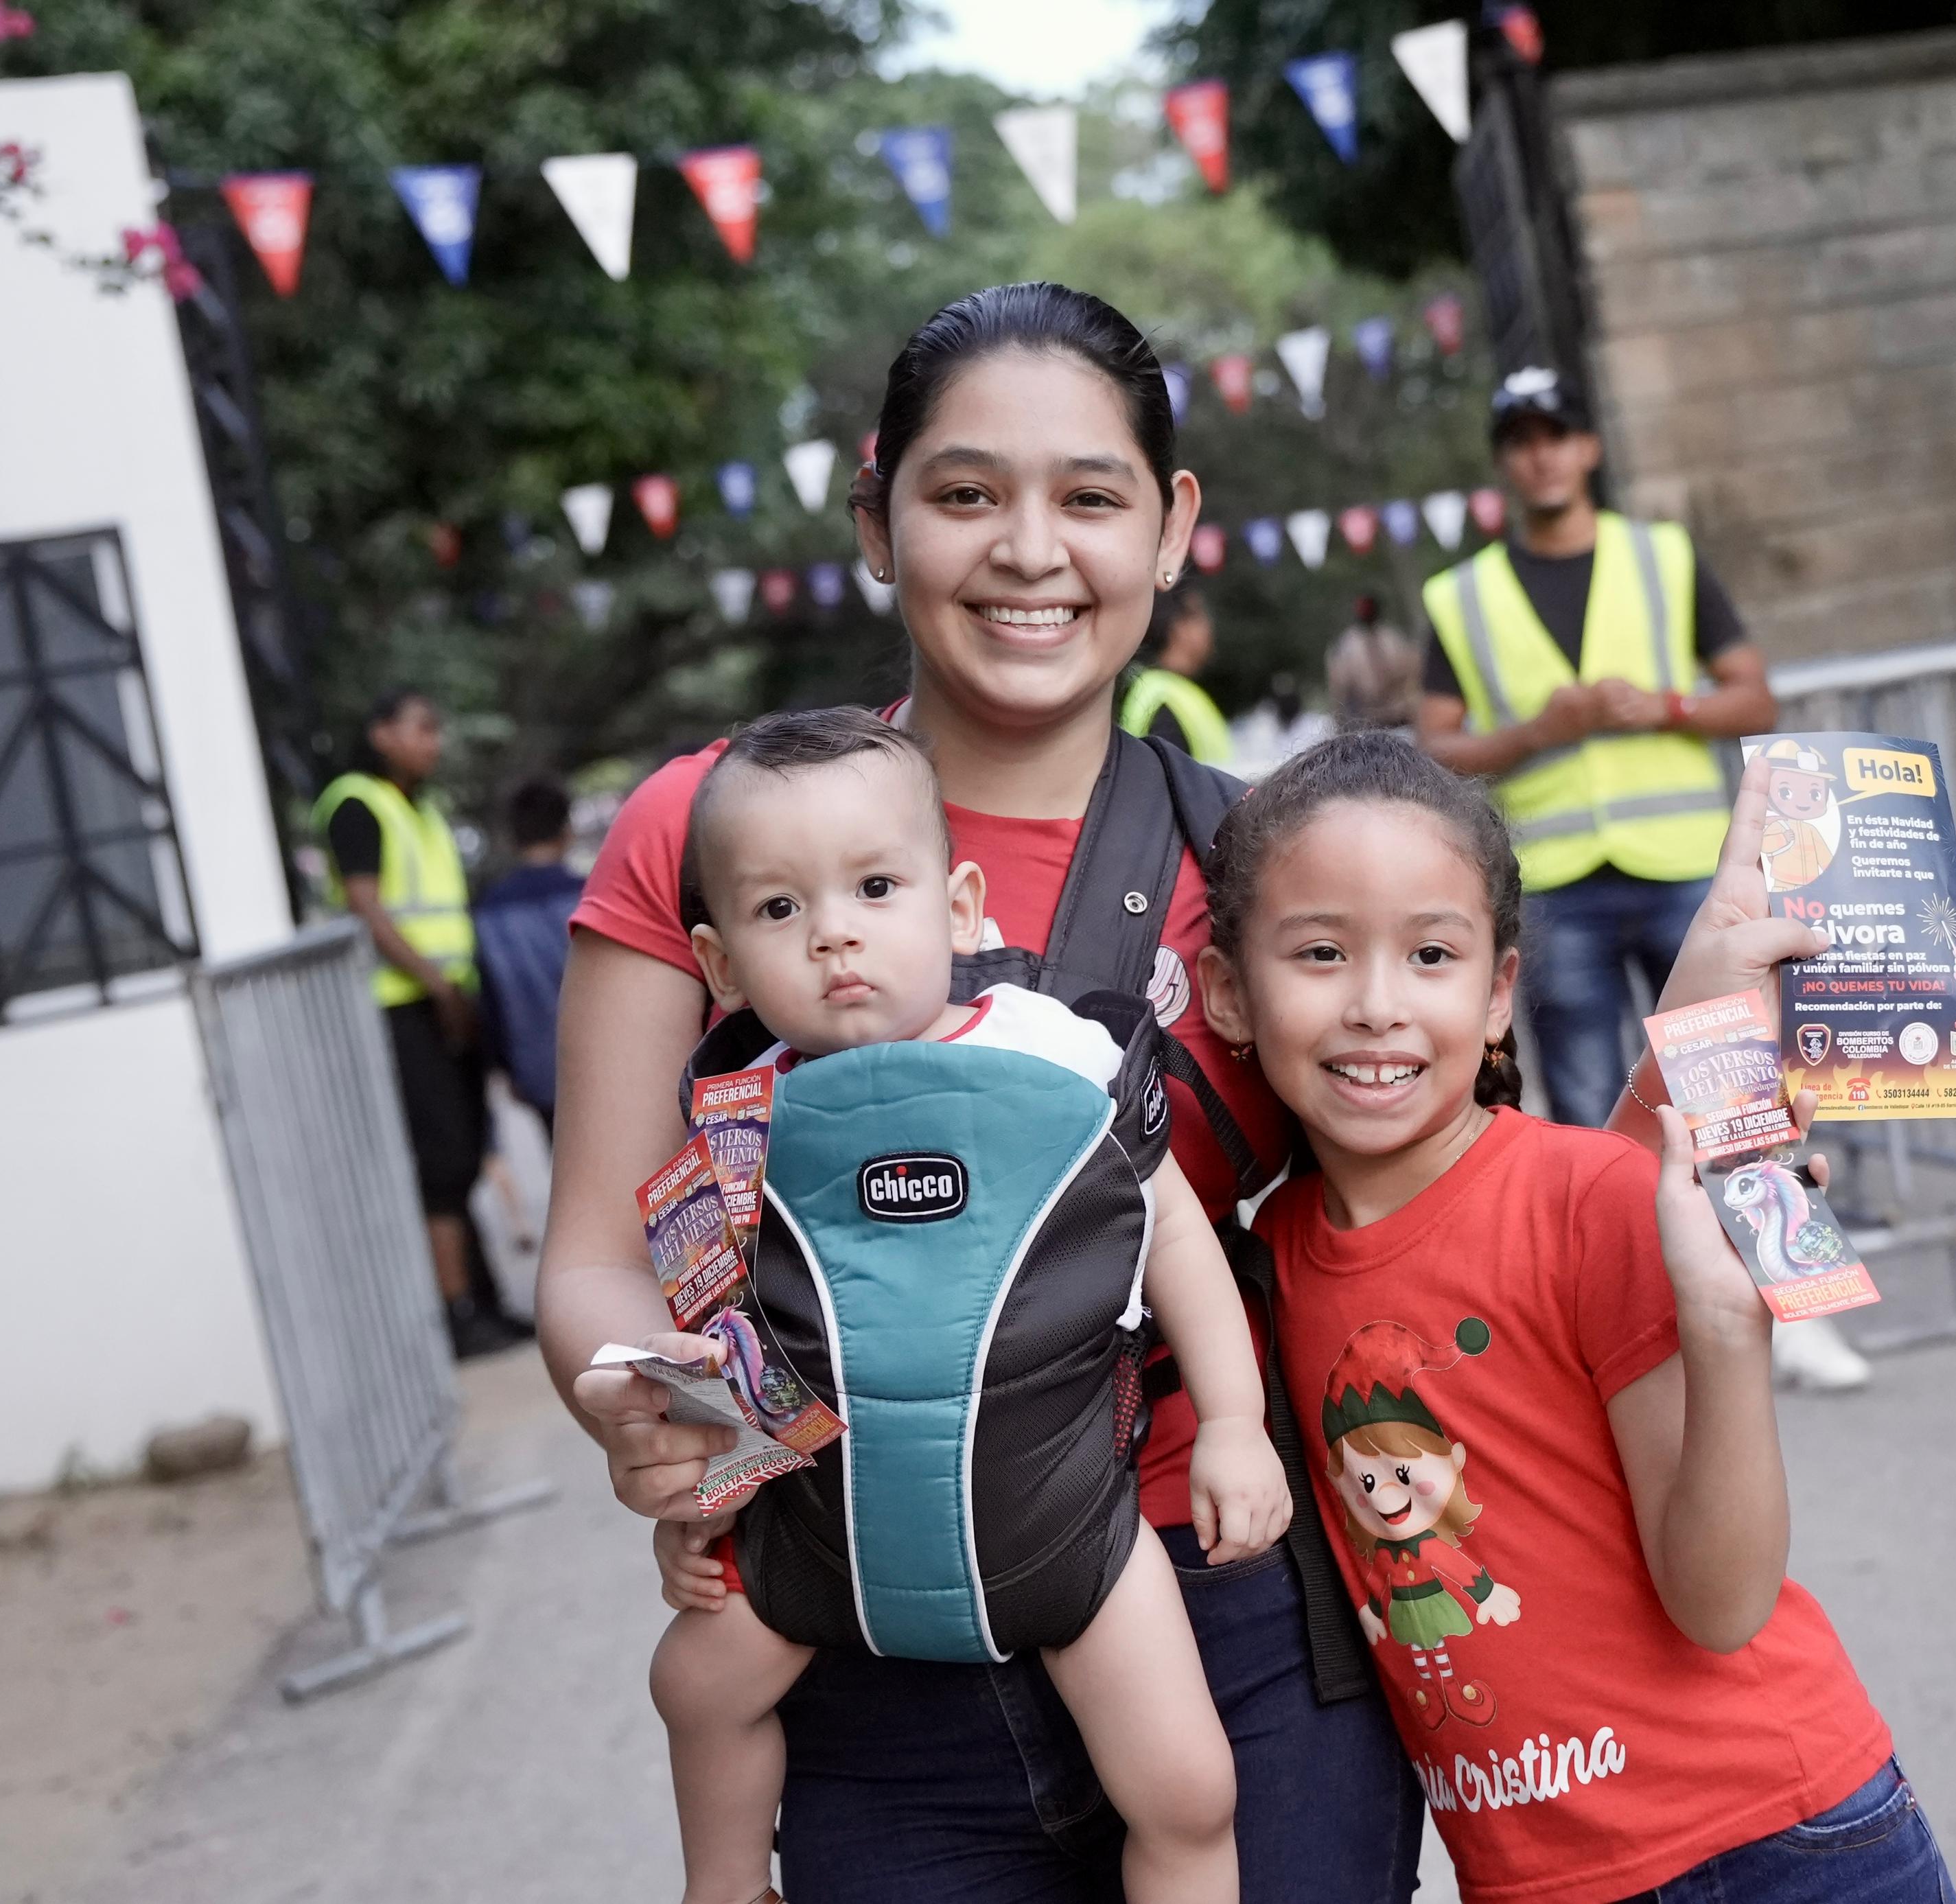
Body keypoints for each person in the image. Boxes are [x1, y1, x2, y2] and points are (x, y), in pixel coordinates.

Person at [540, 283, 1423, 1903]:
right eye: (965, 495)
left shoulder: (1269, 857)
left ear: (1169, 530)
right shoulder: (708, 828)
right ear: (876, 516)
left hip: (1226, 1620)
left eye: (1089, 497)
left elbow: (1439, 1225)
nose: (1030, 550)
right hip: (867, 1624)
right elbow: (599, 1252)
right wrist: (649, 1413)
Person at [1197, 732, 1956, 1904]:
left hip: (1778, 1846)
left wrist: (1725, 1336)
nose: (1376, 1004)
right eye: (1318, 952)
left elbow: (1723, 1601)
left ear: (1499, 992)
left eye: (1432, 953)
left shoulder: (1596, 1197)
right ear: (1229, 994)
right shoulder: (1263, 1259)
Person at [642, 710, 1281, 1904]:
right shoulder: (735, 1117)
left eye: (876, 885)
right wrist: (697, 1497)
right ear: (721, 962)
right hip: (825, 1535)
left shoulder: (1055, 1053)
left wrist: (1237, 1421)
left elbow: (1176, 1234)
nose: (835, 931)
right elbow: (718, 1325)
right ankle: (725, 1884)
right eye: (779, 909)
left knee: (1190, 1787)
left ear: (957, 904)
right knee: (694, 1682)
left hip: (1071, 1526)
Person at [1416, 367, 1865, 1395]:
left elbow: (1753, 687)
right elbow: (1436, 744)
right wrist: (1543, 732)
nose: (1542, 452)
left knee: (1744, 1094)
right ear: (1504, 458)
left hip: (1682, 874)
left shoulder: (1663, 557)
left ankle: (1795, 1309)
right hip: (1559, 881)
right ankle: (1637, 1335)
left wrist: (1660, 704)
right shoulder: (1463, 593)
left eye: (1558, 432)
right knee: (1593, 1116)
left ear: (1588, 448)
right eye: (1521, 436)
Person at [316, 688, 524, 1359]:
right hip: (402, 1005)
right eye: (421, 728)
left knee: (465, 1154)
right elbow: (366, 908)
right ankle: (458, 1312)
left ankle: (488, 1303)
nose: (433, 741)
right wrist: (435, 984)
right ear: (381, 733)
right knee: (441, 1163)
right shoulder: (357, 802)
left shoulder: (422, 809)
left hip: (446, 1000)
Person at [474, 777, 583, 1130]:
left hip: (536, 1069)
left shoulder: (489, 909)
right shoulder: (591, 896)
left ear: (514, 838)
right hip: (603, 1063)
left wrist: (504, 1066)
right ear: (567, 830)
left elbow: (490, 996)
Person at [1120, 581, 1233, 766]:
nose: (1209, 628)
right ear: (1179, 627)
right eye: (1200, 616)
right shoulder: (1163, 700)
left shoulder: (1168, 692)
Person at [1326, 595, 1421, 733]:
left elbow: (1413, 674)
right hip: (1367, 723)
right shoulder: (1346, 646)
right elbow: (1339, 690)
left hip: (1402, 717)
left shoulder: (1394, 638)